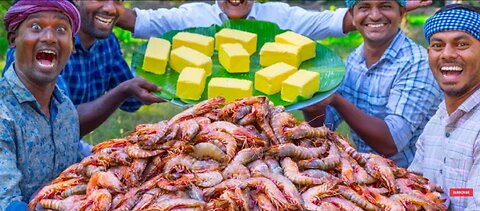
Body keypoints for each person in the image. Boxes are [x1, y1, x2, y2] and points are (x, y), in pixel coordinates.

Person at [302, 0, 443, 168]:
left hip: (412, 178)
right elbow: (324, 126)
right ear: (352, 16)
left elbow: (391, 143)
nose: (375, 16)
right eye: (364, 7)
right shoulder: (354, 60)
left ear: (402, 12)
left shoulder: (417, 63)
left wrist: (336, 99)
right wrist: (311, 99)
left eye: (385, 6)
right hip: (366, 173)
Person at [3, 0, 163, 137]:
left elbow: (131, 101)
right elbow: (58, 125)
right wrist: (124, 90)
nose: (110, 8)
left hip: (69, 149)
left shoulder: (107, 43)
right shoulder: (38, 50)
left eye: (118, 0)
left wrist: (165, 82)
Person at [0, 1, 81, 209]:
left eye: (61, 29)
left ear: (71, 45)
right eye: (36, 27)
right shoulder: (3, 112)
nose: (49, 37)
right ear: (13, 39)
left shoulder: (66, 108)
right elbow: (8, 204)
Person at [408, 4, 480, 210]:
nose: (447, 54)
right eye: (438, 46)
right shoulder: (437, 119)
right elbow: (413, 184)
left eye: (462, 44)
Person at [116, 0, 432, 40]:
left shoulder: (280, 16)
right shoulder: (192, 15)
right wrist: (99, 8)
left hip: (268, 128)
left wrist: (397, 6)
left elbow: (337, 22)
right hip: (204, 127)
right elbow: (139, 21)